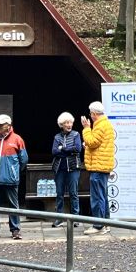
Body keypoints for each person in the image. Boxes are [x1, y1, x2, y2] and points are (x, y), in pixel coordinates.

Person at [0, 114, 28, 240]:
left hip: (10, 178)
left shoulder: (17, 139)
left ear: (8, 126)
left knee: (13, 205)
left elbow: (24, 159)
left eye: (1, 124)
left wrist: (14, 171)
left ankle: (15, 230)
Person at [80, 101, 116, 235]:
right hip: (103, 166)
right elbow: (96, 144)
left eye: (91, 113)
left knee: (97, 197)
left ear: (94, 114)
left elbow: (92, 142)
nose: (90, 116)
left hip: (98, 166)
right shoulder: (105, 124)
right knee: (103, 196)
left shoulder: (100, 126)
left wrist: (86, 128)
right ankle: (106, 223)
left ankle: (98, 225)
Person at [51, 112, 83, 228]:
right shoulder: (57, 137)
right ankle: (59, 219)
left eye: (70, 122)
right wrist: (69, 151)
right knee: (59, 193)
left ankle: (75, 218)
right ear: (61, 125)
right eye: (66, 123)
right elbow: (54, 151)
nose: (69, 125)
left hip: (73, 168)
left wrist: (63, 149)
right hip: (60, 169)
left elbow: (78, 149)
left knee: (73, 193)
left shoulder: (76, 135)